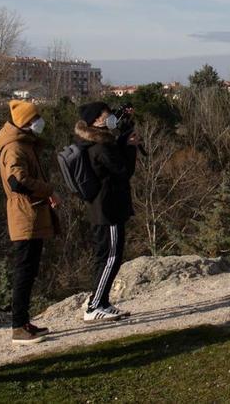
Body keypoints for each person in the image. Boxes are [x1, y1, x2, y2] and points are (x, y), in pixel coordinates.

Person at [0, 99, 58, 344]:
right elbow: (17, 181)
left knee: (29, 272)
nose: (40, 121)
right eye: (36, 117)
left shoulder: (24, 144)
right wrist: (48, 189)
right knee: (24, 271)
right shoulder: (15, 148)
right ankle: (18, 326)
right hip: (25, 215)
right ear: (26, 122)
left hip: (32, 213)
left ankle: (24, 322)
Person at [74, 102, 138, 321]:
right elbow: (123, 170)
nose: (110, 117)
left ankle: (101, 301)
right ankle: (95, 305)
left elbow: (115, 159)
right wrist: (129, 147)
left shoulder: (95, 141)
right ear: (96, 121)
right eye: (106, 115)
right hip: (108, 209)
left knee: (105, 256)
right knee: (111, 257)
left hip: (103, 208)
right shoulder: (101, 146)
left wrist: (123, 136)